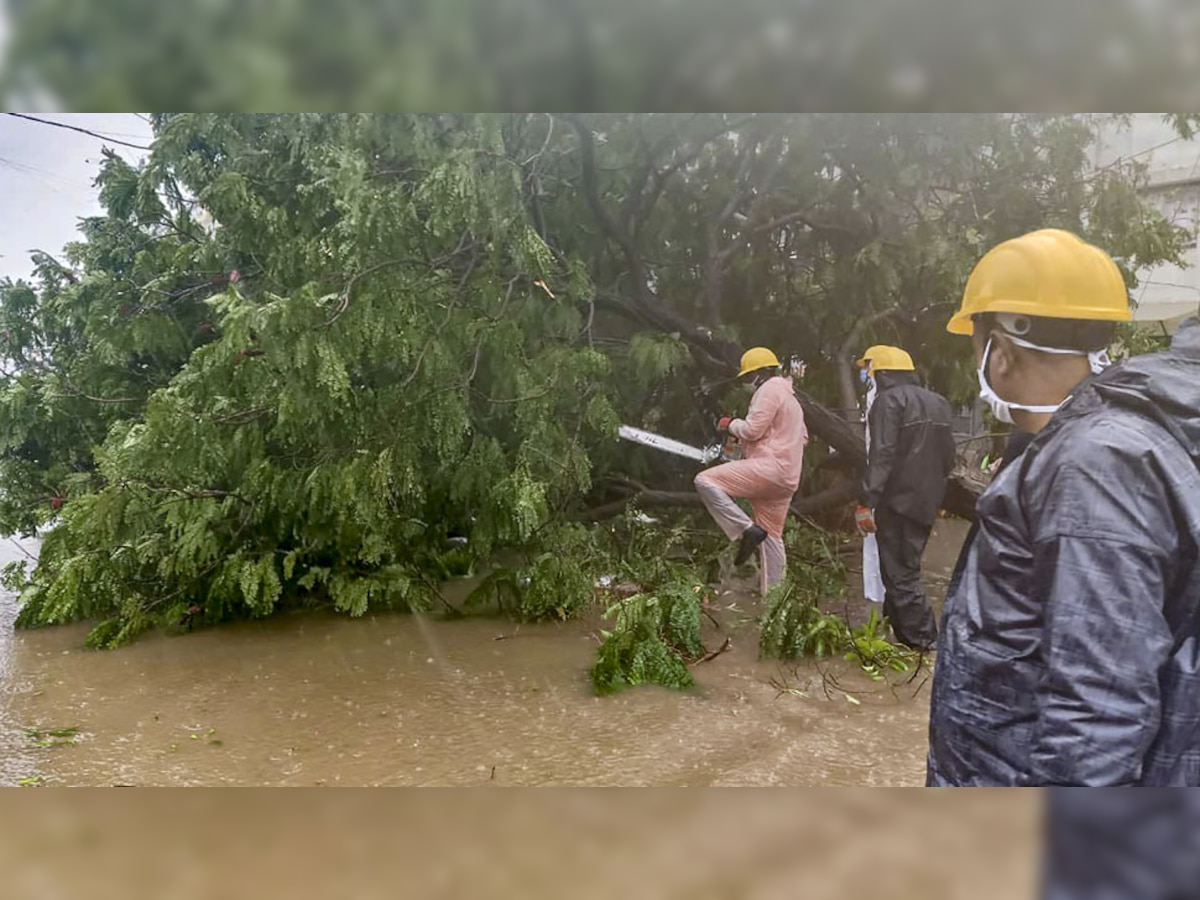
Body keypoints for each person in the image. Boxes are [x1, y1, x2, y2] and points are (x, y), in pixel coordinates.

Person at [928, 227, 1200, 786]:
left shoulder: (1095, 464)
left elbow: (1098, 709)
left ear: (999, 352)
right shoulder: (1074, 444)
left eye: (974, 343)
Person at [853, 345, 955, 650]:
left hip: (896, 500)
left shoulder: (889, 401)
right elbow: (949, 457)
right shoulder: (938, 402)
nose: (867, 378)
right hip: (927, 500)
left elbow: (881, 455)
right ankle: (901, 637)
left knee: (901, 574)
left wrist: (866, 500)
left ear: (882, 375)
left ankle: (925, 642)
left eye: (869, 372)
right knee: (899, 568)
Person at [694, 347, 808, 594]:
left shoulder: (769, 389)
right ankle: (776, 603)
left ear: (758, 373)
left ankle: (745, 529)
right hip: (787, 476)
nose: (746, 383)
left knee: (704, 481)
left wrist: (730, 424)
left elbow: (753, 429)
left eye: (747, 377)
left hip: (770, 468)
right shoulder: (792, 399)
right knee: (773, 539)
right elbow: (803, 438)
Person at [858, 366, 886, 618]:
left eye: (868, 366)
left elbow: (880, 450)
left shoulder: (883, 400)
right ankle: (877, 599)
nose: (865, 372)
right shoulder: (874, 394)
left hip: (880, 482)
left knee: (877, 537)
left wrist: (868, 495)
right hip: (881, 479)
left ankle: (878, 597)